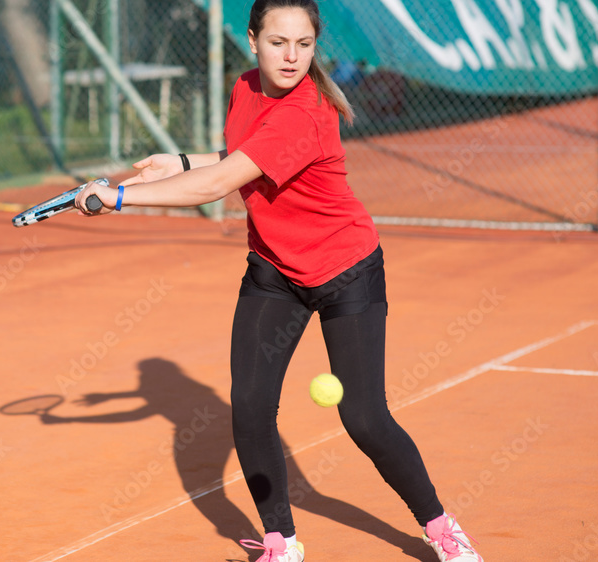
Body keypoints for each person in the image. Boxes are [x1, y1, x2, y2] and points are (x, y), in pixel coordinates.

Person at [75, 1, 485, 561]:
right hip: (274, 269)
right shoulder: (246, 89)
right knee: (249, 403)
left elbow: (217, 186)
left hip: (345, 268)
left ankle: (440, 528)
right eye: (278, 42)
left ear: (315, 46)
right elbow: (239, 158)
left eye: (304, 44)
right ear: (252, 41)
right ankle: (281, 542)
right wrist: (180, 160)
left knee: (364, 418)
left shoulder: (308, 111)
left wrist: (120, 196)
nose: (291, 56)